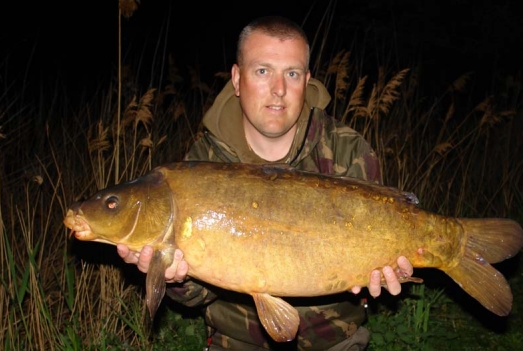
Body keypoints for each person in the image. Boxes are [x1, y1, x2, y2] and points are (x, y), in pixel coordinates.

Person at [117, 15, 414, 350]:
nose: (279, 89)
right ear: (237, 79)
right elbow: (195, 297)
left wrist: (390, 269)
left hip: (334, 339)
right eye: (262, 71)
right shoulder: (200, 167)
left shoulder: (347, 150)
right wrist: (176, 277)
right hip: (236, 340)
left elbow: (385, 244)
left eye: (292, 73)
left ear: (307, 79)